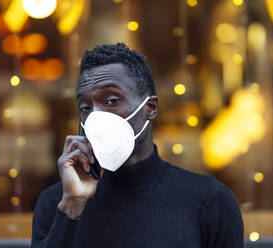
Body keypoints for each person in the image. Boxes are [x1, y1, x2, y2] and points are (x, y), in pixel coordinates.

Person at [31, 43, 244, 248]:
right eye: (85, 107)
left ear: (150, 108)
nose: (96, 116)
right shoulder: (57, 202)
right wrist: (73, 205)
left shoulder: (209, 200)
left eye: (111, 101)